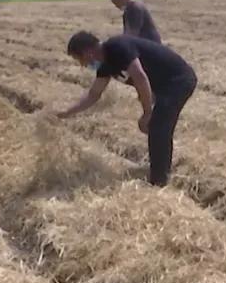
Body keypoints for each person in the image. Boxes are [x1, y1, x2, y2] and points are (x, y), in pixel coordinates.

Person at [58, 31, 196, 186]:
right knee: (158, 127)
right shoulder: (105, 66)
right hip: (163, 86)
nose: (82, 65)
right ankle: (161, 169)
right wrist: (66, 113)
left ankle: (159, 181)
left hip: (178, 80)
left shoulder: (118, 47)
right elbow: (93, 94)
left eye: (79, 59)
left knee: (158, 128)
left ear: (87, 52)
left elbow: (140, 77)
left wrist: (147, 113)